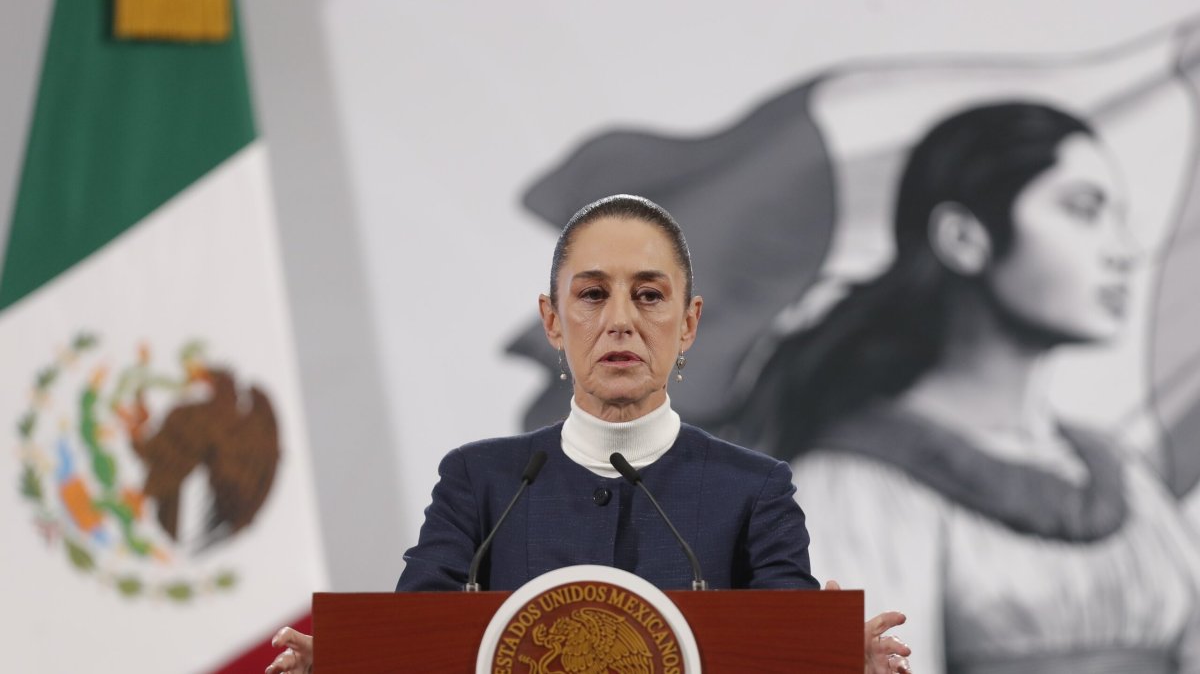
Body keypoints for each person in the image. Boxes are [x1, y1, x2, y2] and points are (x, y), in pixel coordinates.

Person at [266, 194, 914, 673]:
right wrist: (355, 658)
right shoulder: (481, 482)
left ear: (689, 324)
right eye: (593, 294)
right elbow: (418, 638)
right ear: (553, 320)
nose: (622, 320)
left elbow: (783, 655)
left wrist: (830, 655)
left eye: (651, 295)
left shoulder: (756, 490)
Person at [728, 103, 1200, 672]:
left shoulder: (1122, 477)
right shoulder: (855, 487)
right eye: (1083, 210)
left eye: (1120, 217)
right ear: (963, 237)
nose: (1124, 251)